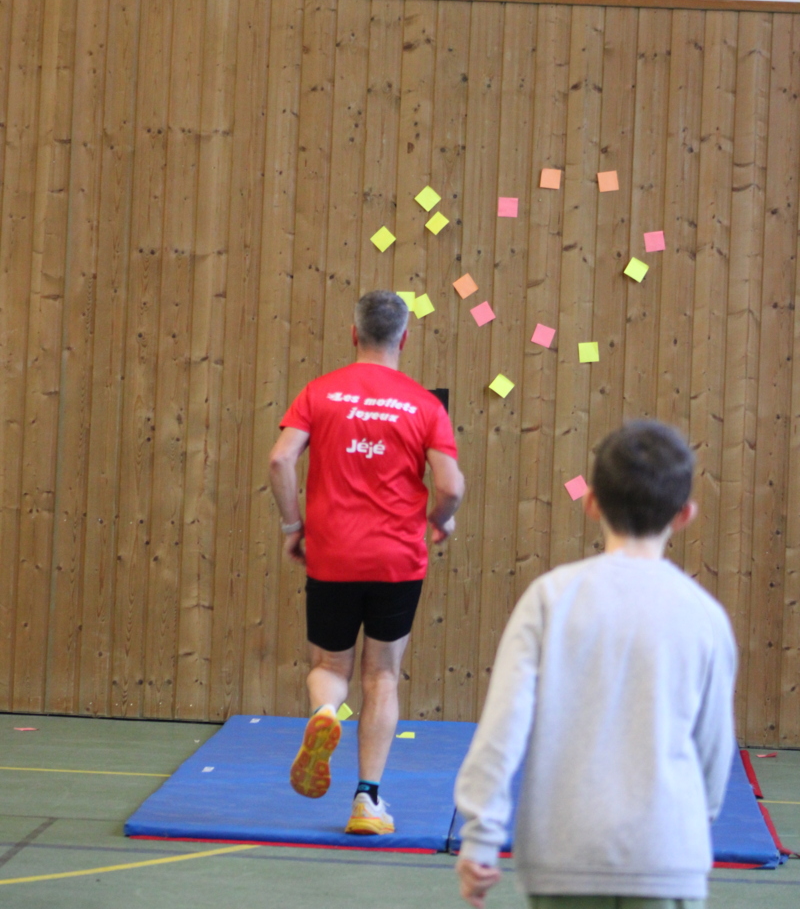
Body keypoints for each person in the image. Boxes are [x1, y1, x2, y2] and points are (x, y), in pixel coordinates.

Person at [454, 419, 737, 909]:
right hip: (666, 856)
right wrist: (692, 822)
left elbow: (502, 727)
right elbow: (714, 748)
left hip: (566, 856)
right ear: (685, 514)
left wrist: (481, 836)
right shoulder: (706, 617)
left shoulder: (550, 598)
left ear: (591, 504)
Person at [269, 290, 465, 836]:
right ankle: (366, 801)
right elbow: (451, 486)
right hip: (397, 558)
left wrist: (292, 527)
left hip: (332, 552)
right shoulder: (424, 405)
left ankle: (324, 713)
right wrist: (441, 519)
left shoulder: (320, 392)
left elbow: (281, 459)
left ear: (355, 334)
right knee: (381, 676)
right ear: (405, 338)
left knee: (330, 667)